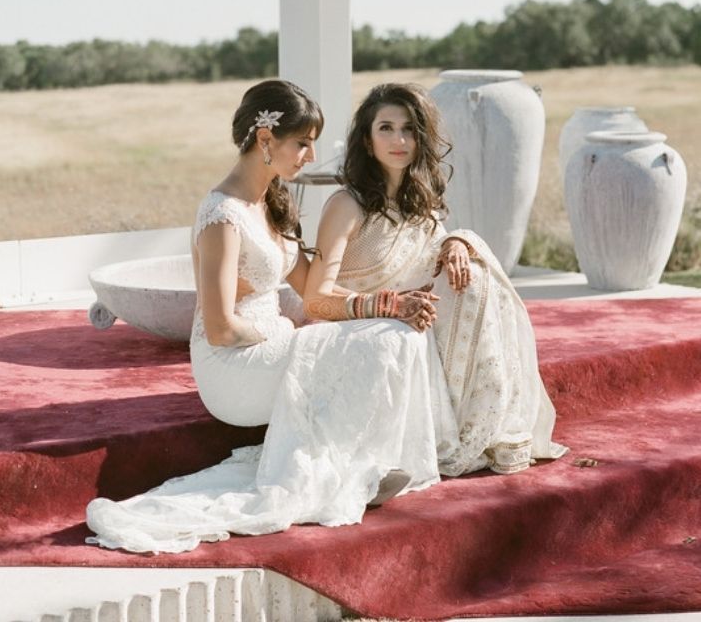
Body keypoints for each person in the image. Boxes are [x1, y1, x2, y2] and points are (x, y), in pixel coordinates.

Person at [85, 79, 563, 555]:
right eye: (302, 143)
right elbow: (219, 327)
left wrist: (414, 275)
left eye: (313, 143)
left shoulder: (270, 205)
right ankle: (352, 467)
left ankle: (369, 461)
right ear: (265, 139)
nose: (311, 156)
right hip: (233, 367)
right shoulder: (221, 216)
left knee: (397, 335)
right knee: (381, 337)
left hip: (271, 347)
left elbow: (318, 291)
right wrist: (296, 336)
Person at [304, 82, 566, 476]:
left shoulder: (418, 204)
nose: (399, 140)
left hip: (413, 320)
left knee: (474, 273)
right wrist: (392, 304)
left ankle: (479, 426)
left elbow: (436, 247)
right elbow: (316, 298)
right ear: (366, 138)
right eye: (386, 128)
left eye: (409, 129)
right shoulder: (347, 204)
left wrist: (457, 242)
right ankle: (464, 428)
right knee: (468, 282)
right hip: (361, 327)